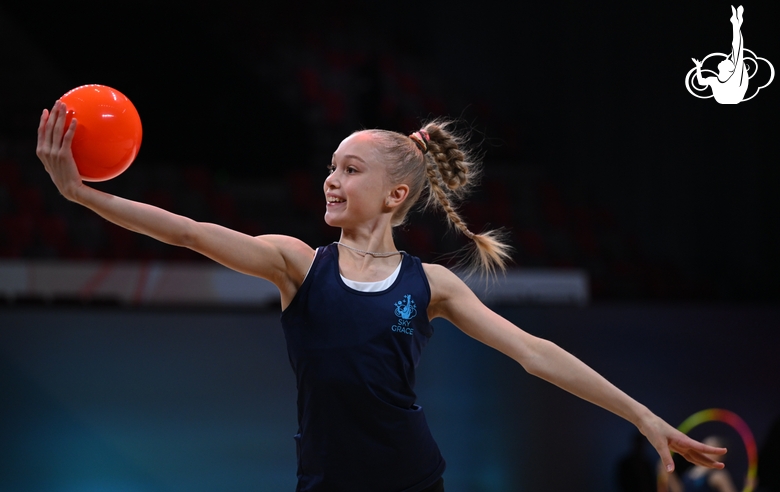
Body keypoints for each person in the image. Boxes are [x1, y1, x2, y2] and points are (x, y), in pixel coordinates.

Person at [36, 101, 727, 491]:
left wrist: (642, 415)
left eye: (351, 168)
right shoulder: (297, 265)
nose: (331, 180)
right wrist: (80, 194)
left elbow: (536, 354)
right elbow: (188, 232)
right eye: (331, 167)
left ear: (397, 195)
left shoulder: (431, 284)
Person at [691, 5, 748, 104]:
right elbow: (700, 82)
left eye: (726, 61)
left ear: (729, 69)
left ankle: (736, 24)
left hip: (732, 96)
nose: (724, 59)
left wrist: (698, 67)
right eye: (727, 60)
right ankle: (736, 24)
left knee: (737, 50)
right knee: (737, 52)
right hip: (732, 96)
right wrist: (698, 67)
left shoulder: (722, 79)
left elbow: (701, 82)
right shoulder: (718, 79)